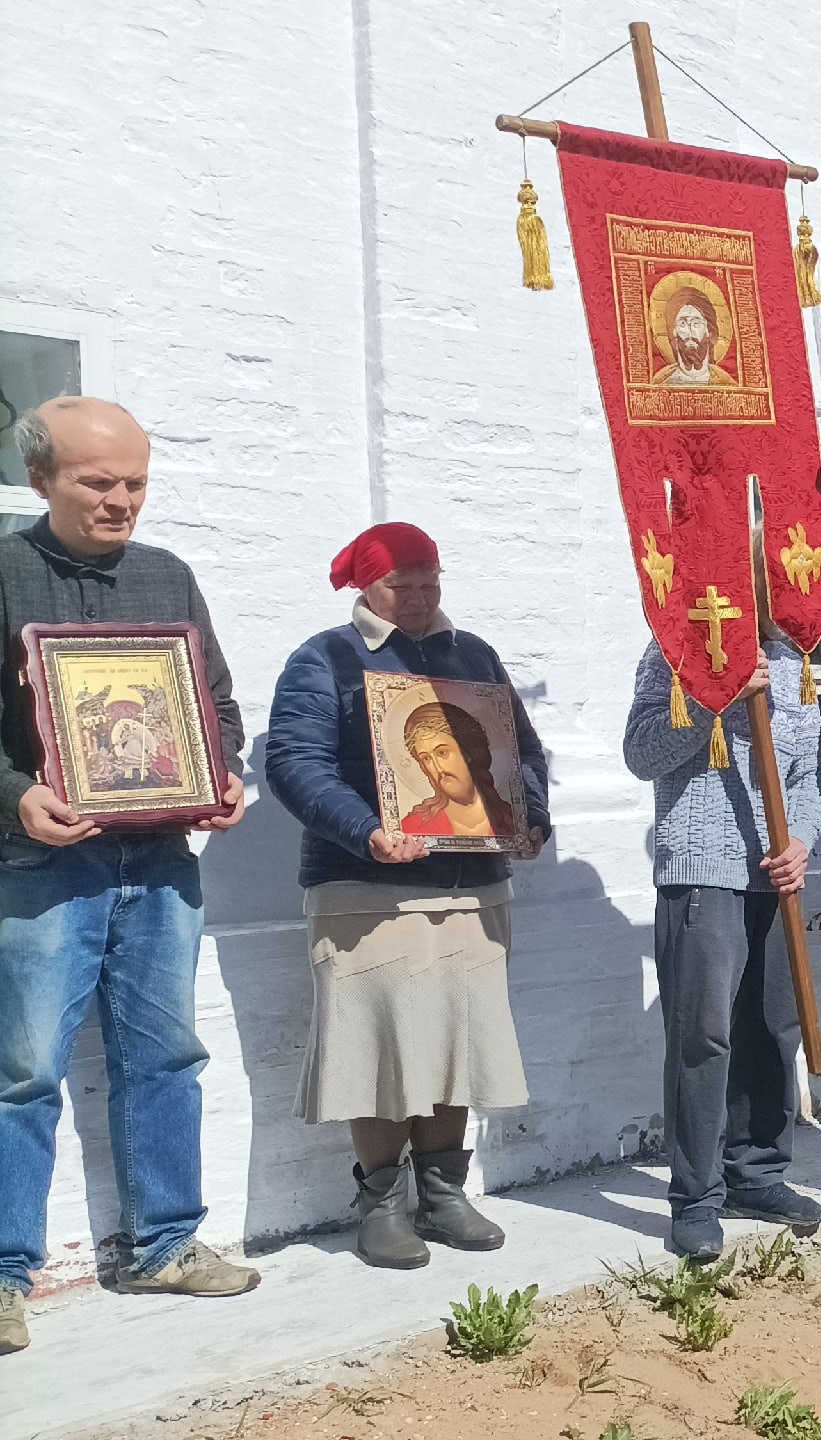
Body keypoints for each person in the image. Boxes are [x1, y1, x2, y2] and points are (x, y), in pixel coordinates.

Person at [0, 397, 254, 1357]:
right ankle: (3, 1275)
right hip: (40, 863)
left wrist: (222, 775)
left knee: (166, 1057)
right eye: (96, 482)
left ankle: (165, 1243)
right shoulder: (3, 571)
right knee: (23, 1073)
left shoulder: (167, 575)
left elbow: (214, 705)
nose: (120, 502)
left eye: (135, 483)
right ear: (42, 481)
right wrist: (16, 794)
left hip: (159, 862)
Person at [266, 523, 549, 1270]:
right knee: (379, 1047)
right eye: (402, 584)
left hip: (472, 884)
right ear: (365, 586)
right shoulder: (326, 656)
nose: (420, 597)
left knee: (456, 1041)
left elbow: (519, 750)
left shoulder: (473, 655)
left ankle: (445, 1196)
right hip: (369, 887)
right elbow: (294, 761)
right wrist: (365, 831)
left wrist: (530, 819)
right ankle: (383, 1203)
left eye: (430, 579)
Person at [623, 574, 821, 1263]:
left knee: (774, 1026)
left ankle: (759, 1174)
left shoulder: (794, 658)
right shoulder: (674, 647)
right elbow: (641, 752)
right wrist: (713, 702)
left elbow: (811, 776)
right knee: (703, 1036)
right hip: (703, 867)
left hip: (774, 870)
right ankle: (696, 1196)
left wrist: (800, 839)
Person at [398, 702, 517, 838]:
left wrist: (538, 820)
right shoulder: (414, 826)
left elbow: (529, 752)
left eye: (442, 753)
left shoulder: (511, 820)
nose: (438, 768)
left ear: (468, 753)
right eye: (426, 758)